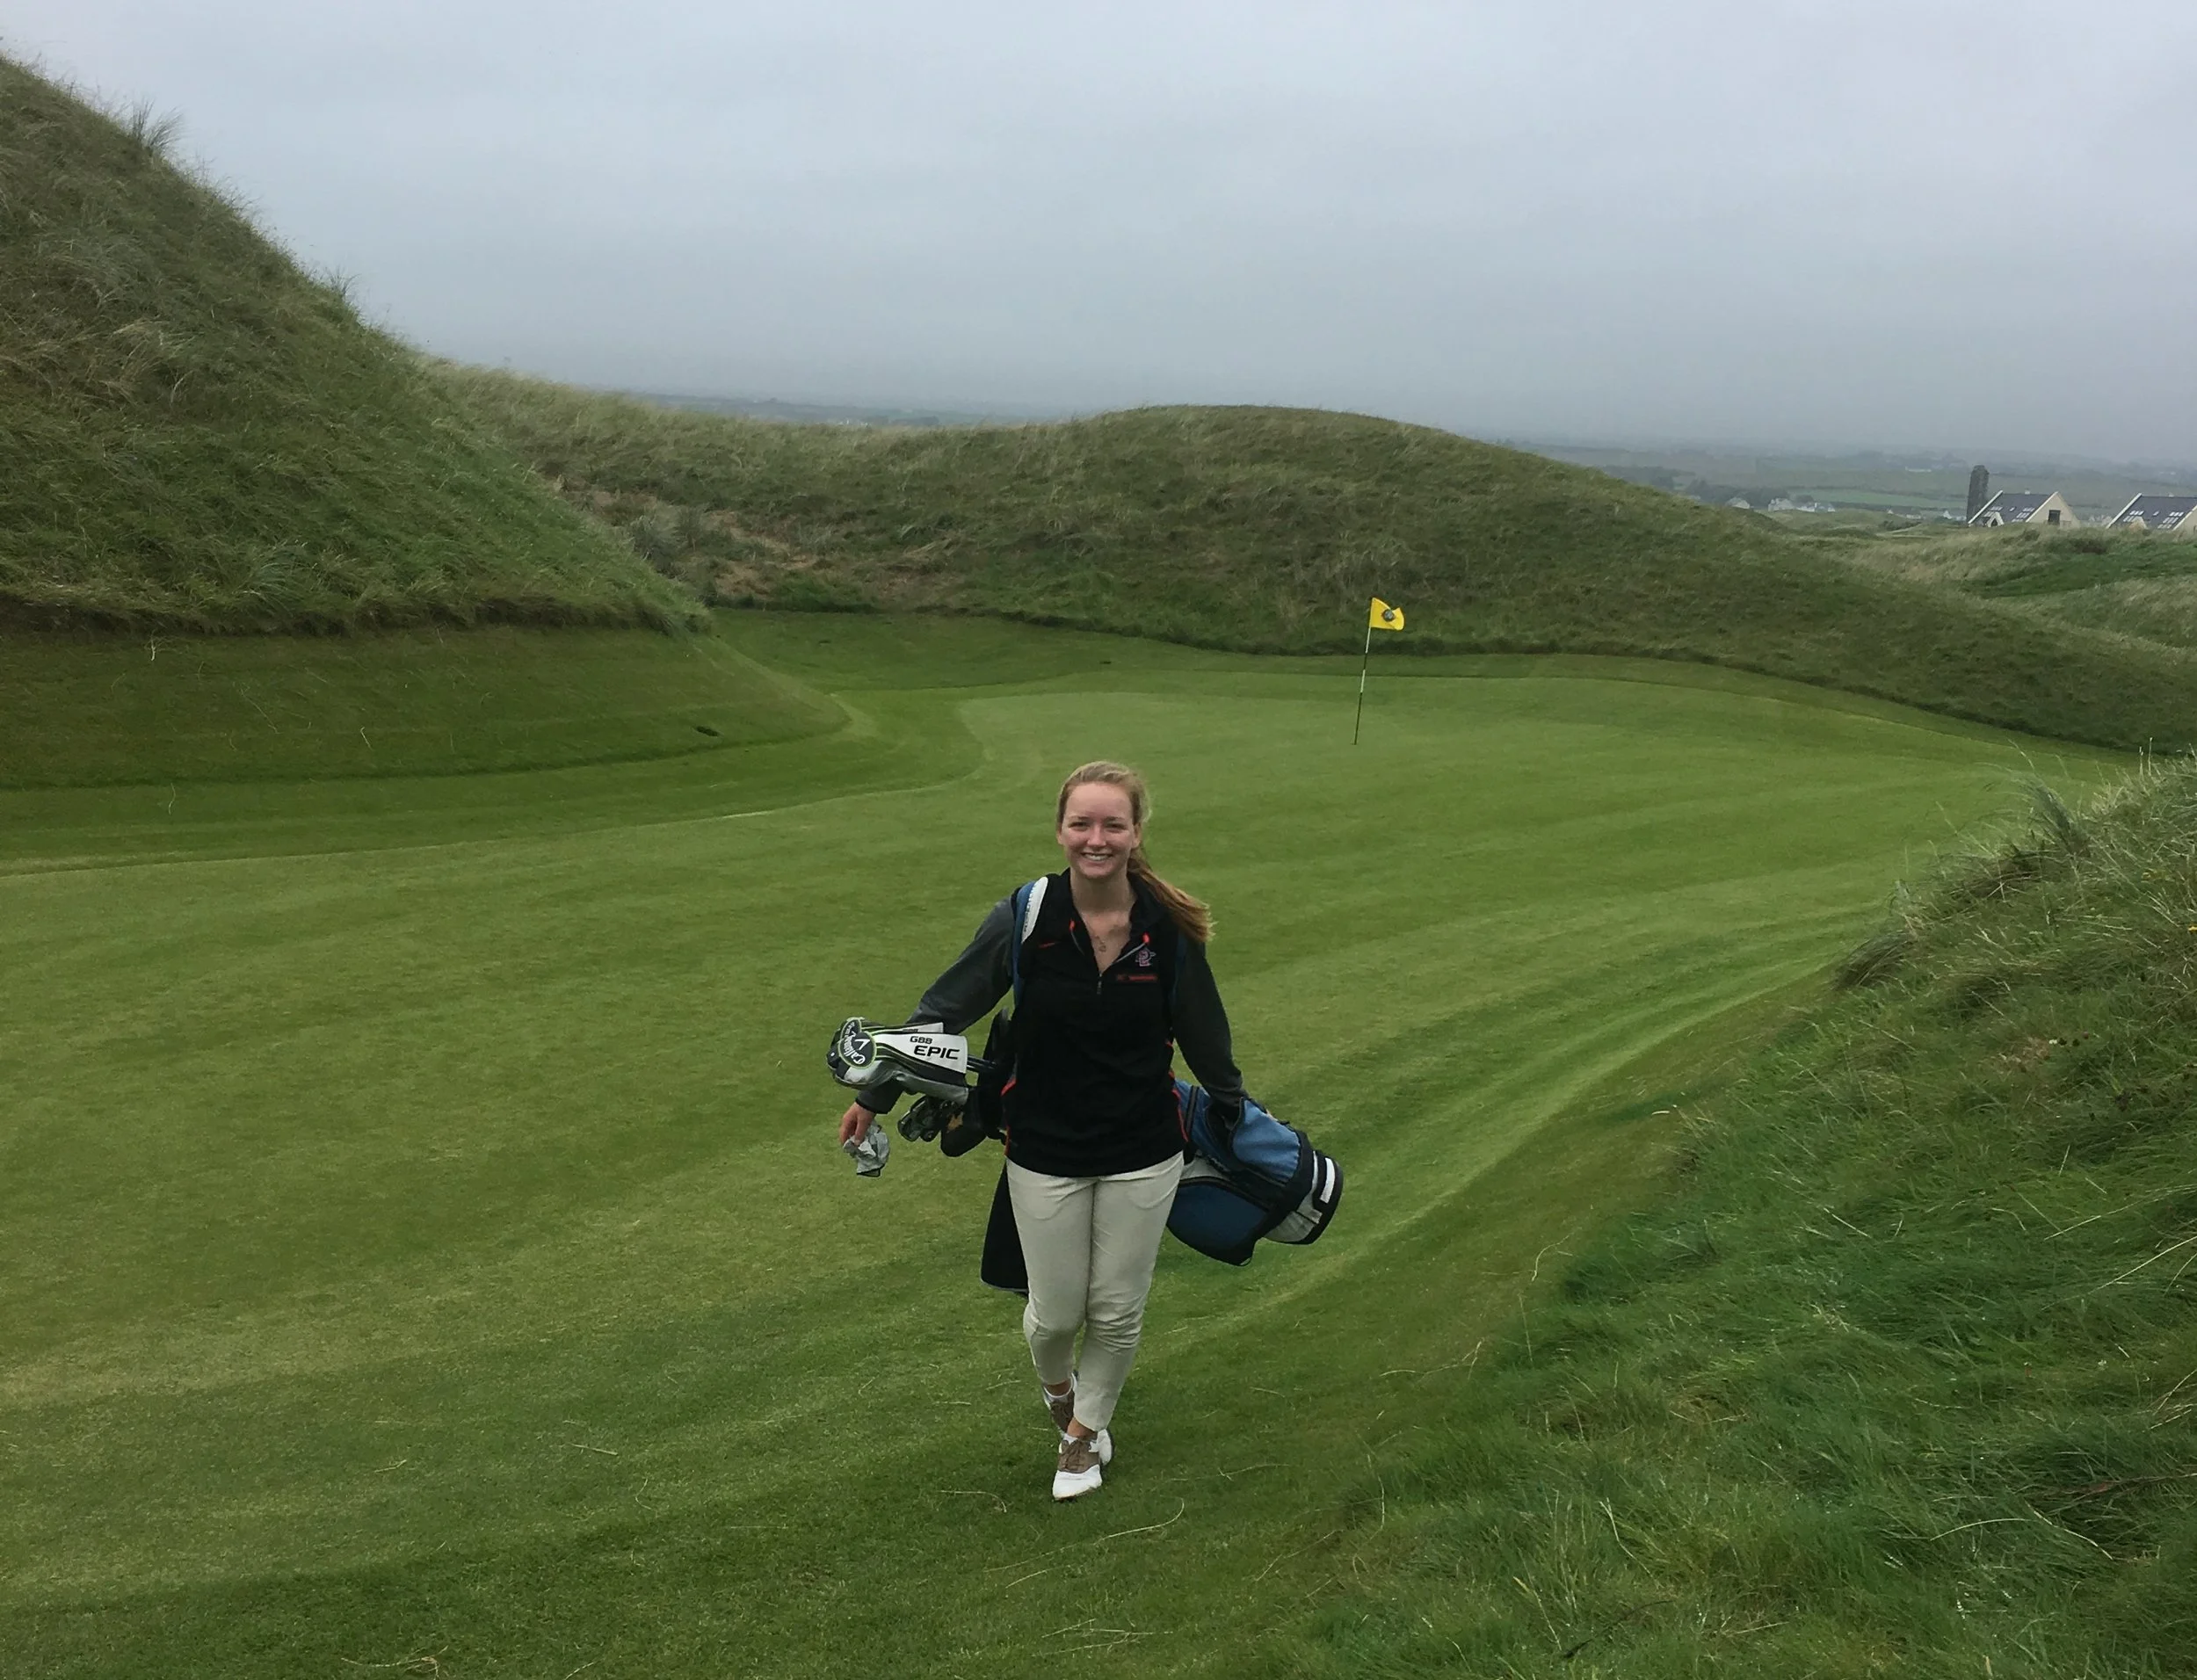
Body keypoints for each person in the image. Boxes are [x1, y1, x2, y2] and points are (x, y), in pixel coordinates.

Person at [836, 760, 1248, 1501]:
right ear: (1060, 831)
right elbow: (944, 1010)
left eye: (1112, 824)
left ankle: (1083, 1441)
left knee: (1117, 1308)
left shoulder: (1167, 930)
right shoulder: (1024, 917)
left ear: (1135, 833)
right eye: (1082, 824)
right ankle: (1066, 1402)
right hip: (1044, 1148)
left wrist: (1233, 1104)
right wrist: (877, 1091)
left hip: (1143, 1148)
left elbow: (1205, 1032)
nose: (1097, 839)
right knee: (1054, 1314)